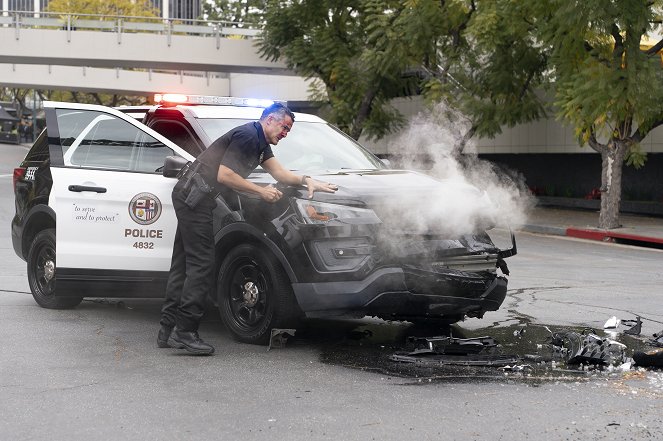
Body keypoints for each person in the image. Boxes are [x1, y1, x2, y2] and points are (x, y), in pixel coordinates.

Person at [158, 103, 338, 355]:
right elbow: (226, 176)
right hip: (195, 198)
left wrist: (308, 180)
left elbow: (280, 173)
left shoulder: (260, 142)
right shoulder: (247, 136)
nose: (286, 133)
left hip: (192, 195)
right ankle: (185, 332)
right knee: (201, 264)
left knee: (183, 262)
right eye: (284, 127)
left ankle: (167, 330)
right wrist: (261, 191)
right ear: (269, 120)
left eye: (289, 129)